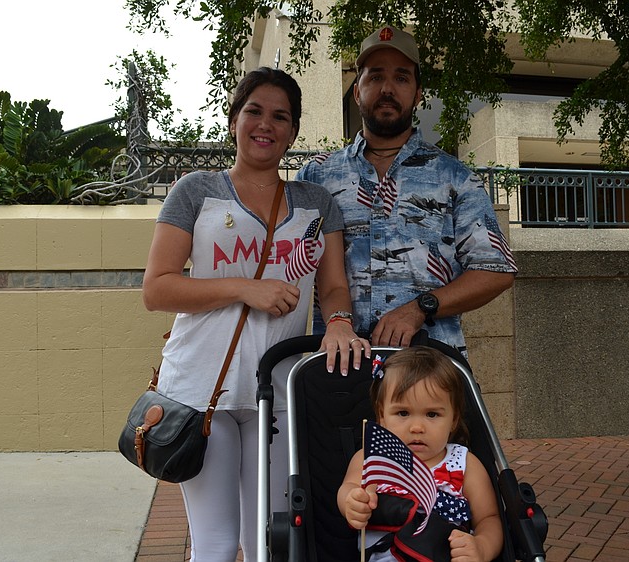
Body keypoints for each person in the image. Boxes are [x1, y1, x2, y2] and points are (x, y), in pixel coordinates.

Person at [142, 67, 370, 562]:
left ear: (292, 131)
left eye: (280, 116)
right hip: (203, 393)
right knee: (218, 545)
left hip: (280, 393)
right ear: (233, 120)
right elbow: (157, 289)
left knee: (269, 541)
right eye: (254, 111)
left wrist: (338, 322)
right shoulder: (196, 191)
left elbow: (332, 286)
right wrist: (246, 288)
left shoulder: (315, 204)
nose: (265, 124)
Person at [296, 26, 518, 356]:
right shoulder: (317, 175)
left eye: (401, 78)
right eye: (375, 77)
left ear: (417, 94)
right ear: (357, 92)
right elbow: (285, 258)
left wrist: (420, 307)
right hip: (340, 371)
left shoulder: (455, 177)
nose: (387, 89)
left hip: (430, 370)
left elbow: (494, 271)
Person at [338, 346, 504, 561]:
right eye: (403, 413)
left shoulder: (464, 464)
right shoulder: (372, 456)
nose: (417, 427)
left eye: (432, 414)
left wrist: (481, 547)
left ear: (453, 419)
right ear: (381, 415)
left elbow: (489, 518)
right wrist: (351, 502)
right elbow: (348, 488)